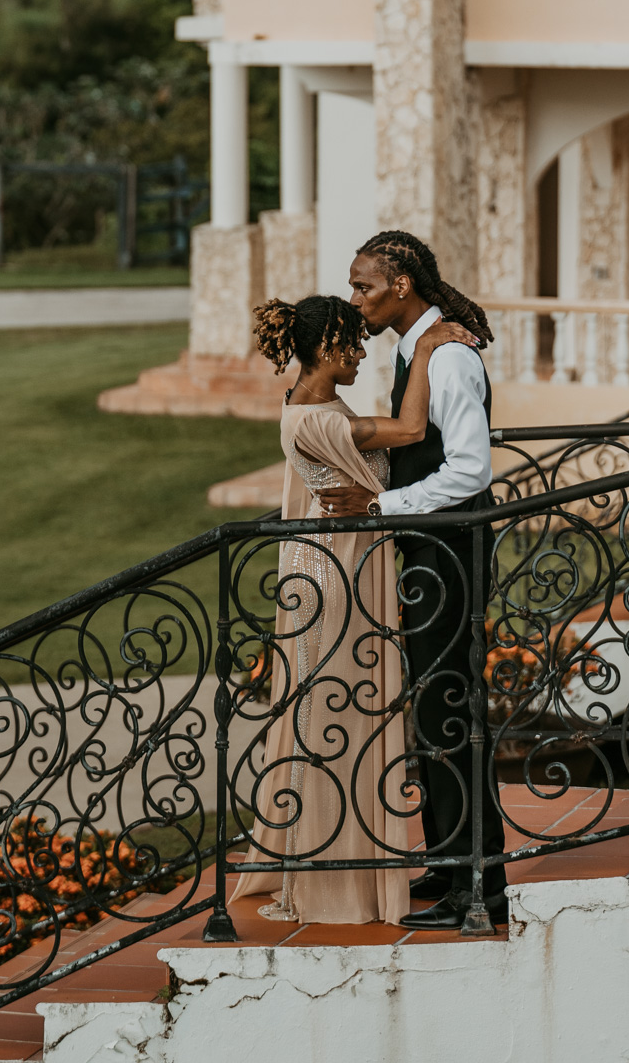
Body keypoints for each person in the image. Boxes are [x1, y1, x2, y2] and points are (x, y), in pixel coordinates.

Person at [231, 292, 479, 927]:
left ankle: (351, 861)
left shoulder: (312, 398)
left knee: (342, 710)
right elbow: (415, 431)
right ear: (327, 349)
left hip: (343, 561)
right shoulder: (317, 418)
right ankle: (333, 878)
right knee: (337, 714)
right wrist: (423, 349)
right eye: (353, 343)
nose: (363, 351)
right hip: (335, 575)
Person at [316, 230, 509, 932]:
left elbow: (469, 470)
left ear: (401, 285)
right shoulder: (414, 348)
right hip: (430, 548)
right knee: (433, 707)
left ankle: (478, 887)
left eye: (363, 285)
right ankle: (450, 861)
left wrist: (379, 507)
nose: (354, 298)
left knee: (449, 707)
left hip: (452, 549)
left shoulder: (449, 355)